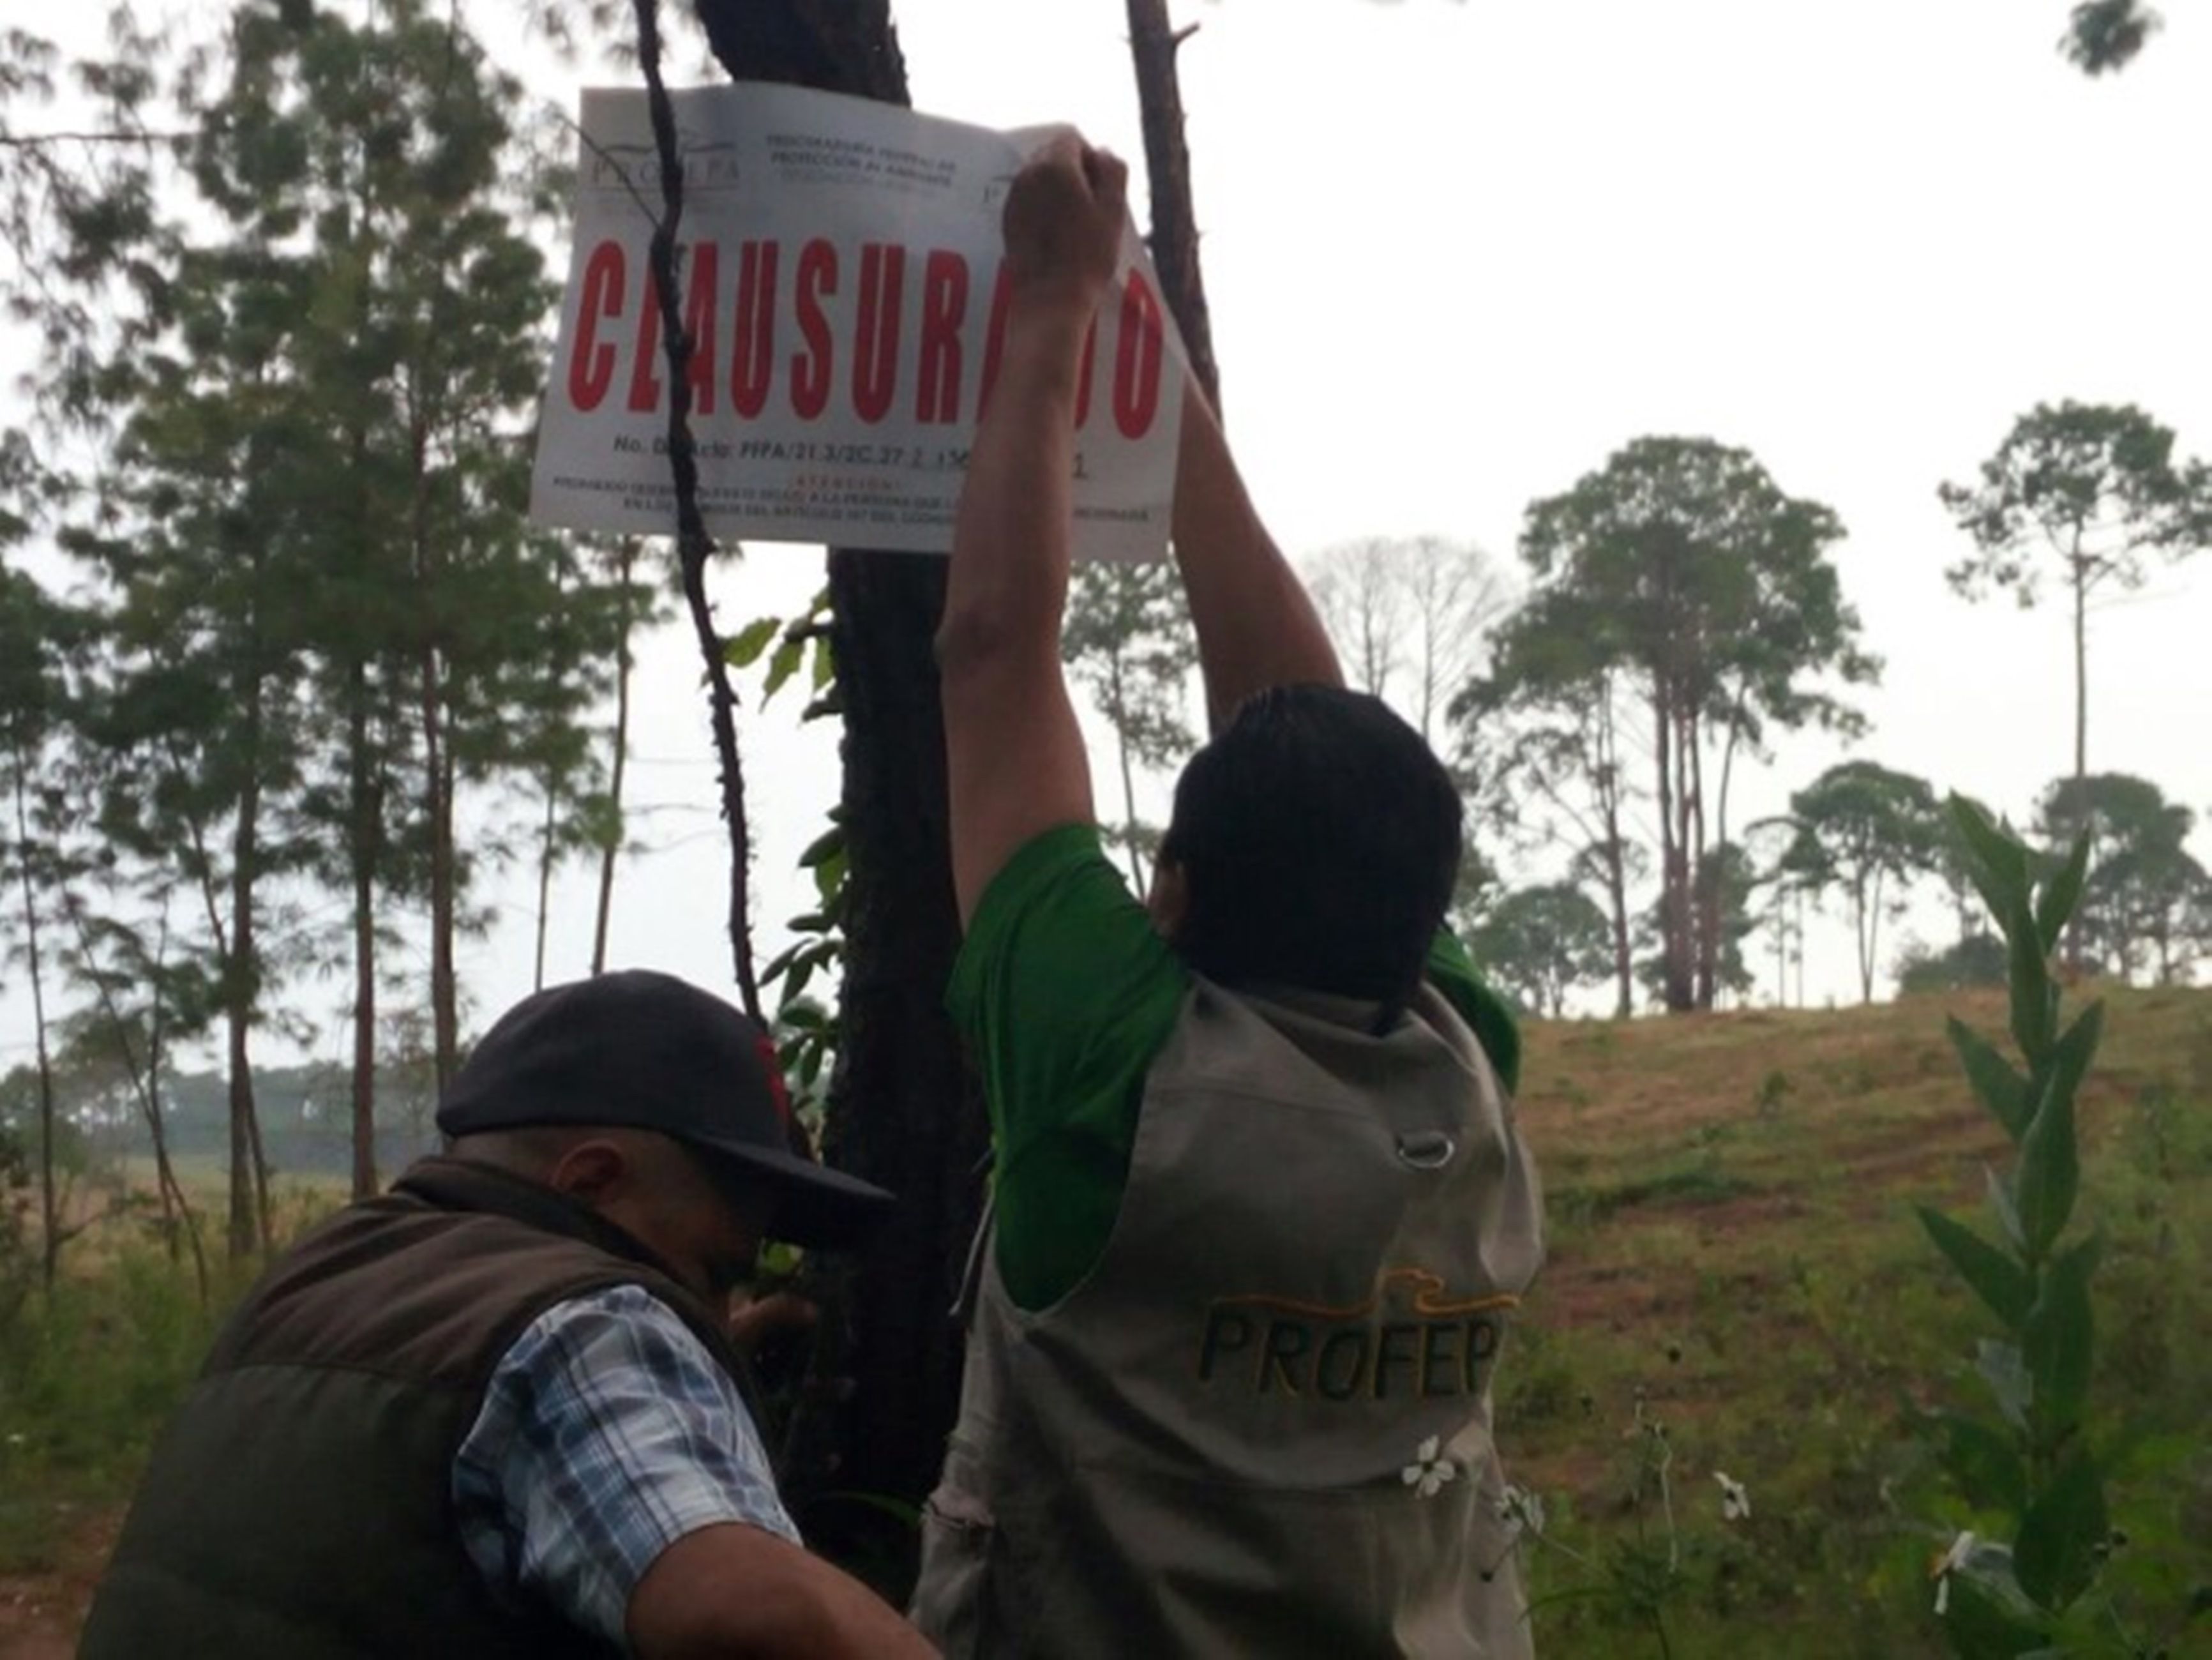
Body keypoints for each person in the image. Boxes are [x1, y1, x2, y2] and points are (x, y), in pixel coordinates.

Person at [910, 135, 1545, 1657]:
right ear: (1422, 910)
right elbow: (1304, 725)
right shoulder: (1462, 1058)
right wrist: (1157, 386)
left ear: (1172, 898)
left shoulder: (1110, 1071)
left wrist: (1058, 310)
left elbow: (997, 652)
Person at [80, 969, 939, 1660]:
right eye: (716, 1273)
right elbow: (757, 1616)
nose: (712, 1313)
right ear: (592, 1182)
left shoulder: (317, 1277)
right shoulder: (594, 1326)